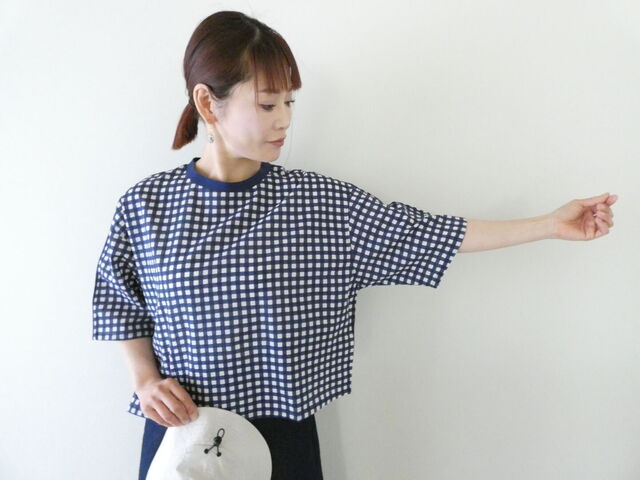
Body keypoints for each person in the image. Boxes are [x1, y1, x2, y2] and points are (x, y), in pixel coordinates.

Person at [91, 10, 618, 480]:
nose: (285, 120)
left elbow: (429, 234)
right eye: (268, 103)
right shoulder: (147, 206)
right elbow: (119, 303)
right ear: (209, 103)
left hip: (283, 433)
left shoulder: (319, 205)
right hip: (183, 437)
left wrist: (548, 224)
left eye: (290, 102)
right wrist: (144, 380)